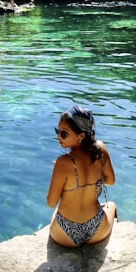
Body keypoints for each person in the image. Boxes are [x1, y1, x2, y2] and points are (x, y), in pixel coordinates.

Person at [47, 106, 117, 247]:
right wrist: (93, 179)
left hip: (65, 234)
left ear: (81, 136)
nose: (58, 136)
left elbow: (51, 203)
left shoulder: (63, 162)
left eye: (64, 133)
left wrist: (61, 174)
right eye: (58, 131)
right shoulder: (101, 149)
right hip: (97, 230)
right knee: (112, 205)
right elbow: (111, 181)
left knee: (55, 213)